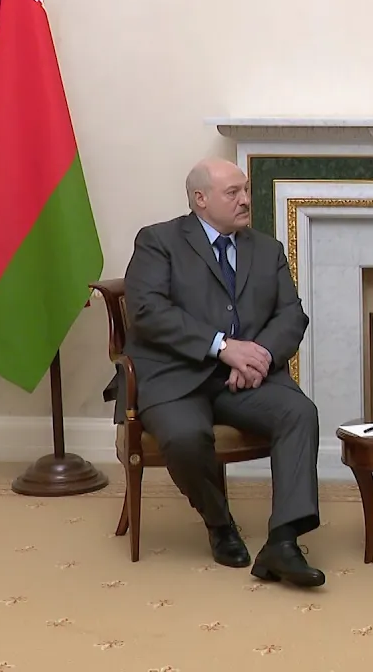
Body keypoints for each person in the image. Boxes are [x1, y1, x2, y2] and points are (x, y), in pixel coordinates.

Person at [119, 157, 324, 587]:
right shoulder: (158, 241)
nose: (245, 199)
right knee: (184, 436)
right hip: (175, 376)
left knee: (299, 413)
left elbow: (291, 315)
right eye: (233, 193)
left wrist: (259, 356)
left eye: (246, 190)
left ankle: (283, 541)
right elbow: (148, 311)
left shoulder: (266, 249)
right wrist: (223, 347)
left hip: (245, 379)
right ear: (201, 199)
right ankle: (218, 521)